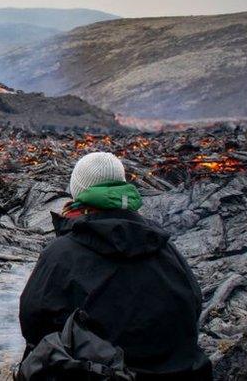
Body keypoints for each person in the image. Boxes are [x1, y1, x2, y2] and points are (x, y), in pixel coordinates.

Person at [18, 152, 211, 380]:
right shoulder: (165, 248)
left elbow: (33, 323)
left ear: (78, 191)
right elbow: (193, 306)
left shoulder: (61, 254)